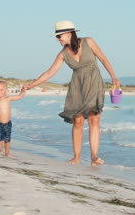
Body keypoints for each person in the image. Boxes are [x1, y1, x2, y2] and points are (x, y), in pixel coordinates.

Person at [24, 20, 120, 166]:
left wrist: (114, 77)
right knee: (77, 121)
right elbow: (49, 72)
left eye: (59, 36)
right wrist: (32, 85)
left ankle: (94, 157)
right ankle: (76, 157)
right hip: (77, 86)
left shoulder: (88, 42)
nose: (58, 40)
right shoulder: (63, 54)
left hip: (94, 82)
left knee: (94, 118)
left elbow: (103, 59)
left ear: (68, 33)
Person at [0, 81, 26, 157]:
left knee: (7, 138)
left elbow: (19, 96)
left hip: (8, 123)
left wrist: (23, 91)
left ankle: (7, 152)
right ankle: (1, 150)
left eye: (1, 90)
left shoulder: (9, 98)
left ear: (6, 91)